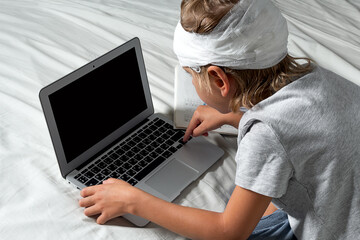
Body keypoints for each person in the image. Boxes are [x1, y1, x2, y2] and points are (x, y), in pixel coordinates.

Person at [79, 0, 360, 239]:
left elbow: (229, 232)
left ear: (218, 79)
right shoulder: (316, 77)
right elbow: (301, 127)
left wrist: (134, 201)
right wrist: (234, 116)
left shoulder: (264, 135)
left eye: (191, 75)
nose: (192, 82)